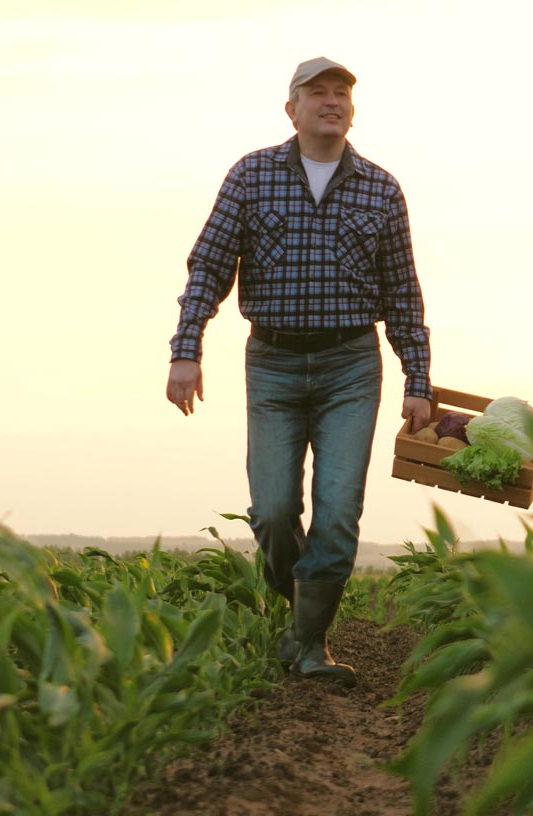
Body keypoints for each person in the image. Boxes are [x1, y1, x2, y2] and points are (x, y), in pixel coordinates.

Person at [165, 57, 432, 686]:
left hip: (351, 366)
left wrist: (417, 381)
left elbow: (403, 292)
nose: (332, 101)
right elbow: (208, 266)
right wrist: (186, 348)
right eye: (318, 92)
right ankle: (299, 613)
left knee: (338, 514)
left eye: (342, 93)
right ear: (293, 109)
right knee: (275, 510)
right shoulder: (251, 174)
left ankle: (309, 645)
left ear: (352, 110)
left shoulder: (380, 187)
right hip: (275, 363)